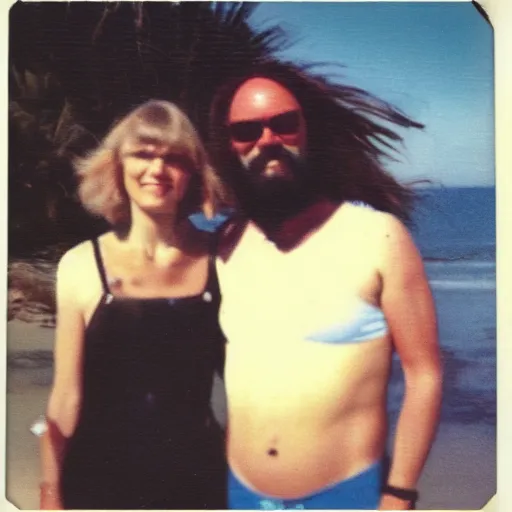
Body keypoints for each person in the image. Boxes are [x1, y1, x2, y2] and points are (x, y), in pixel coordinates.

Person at [207, 61, 443, 510]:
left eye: (284, 124)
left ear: (308, 129)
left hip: (347, 496)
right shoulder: (227, 244)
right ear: (230, 146)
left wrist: (400, 493)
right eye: (247, 131)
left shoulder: (378, 236)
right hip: (241, 495)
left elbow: (425, 375)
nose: (267, 141)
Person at [38, 100, 227, 510]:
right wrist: (50, 492)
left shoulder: (223, 263)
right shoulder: (82, 265)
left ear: (193, 172)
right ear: (117, 166)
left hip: (198, 483)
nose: (157, 170)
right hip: (98, 482)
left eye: (174, 158)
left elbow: (249, 390)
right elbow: (66, 397)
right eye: (143, 155)